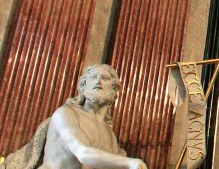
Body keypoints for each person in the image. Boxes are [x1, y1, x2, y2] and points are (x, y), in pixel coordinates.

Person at [0, 65, 147, 169]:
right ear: (83, 86)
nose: (98, 81)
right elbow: (83, 152)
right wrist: (130, 163)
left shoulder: (110, 136)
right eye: (93, 77)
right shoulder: (66, 113)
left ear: (114, 90)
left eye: (105, 78)